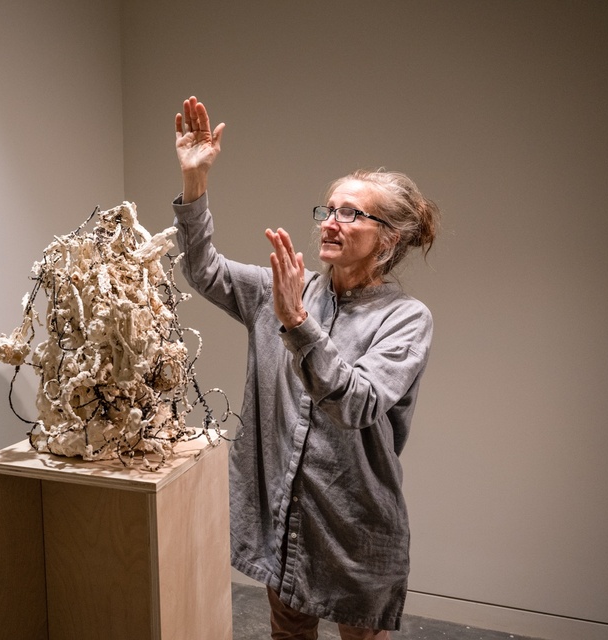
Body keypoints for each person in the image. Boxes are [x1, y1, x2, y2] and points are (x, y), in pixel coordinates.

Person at [171, 96, 440, 639]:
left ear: (388, 238)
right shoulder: (284, 291)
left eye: (351, 213)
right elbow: (201, 269)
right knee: (288, 629)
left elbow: (356, 403)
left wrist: (297, 322)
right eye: (328, 209)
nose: (331, 222)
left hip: (353, 523)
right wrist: (195, 180)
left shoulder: (406, 319)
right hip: (285, 511)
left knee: (361, 635)